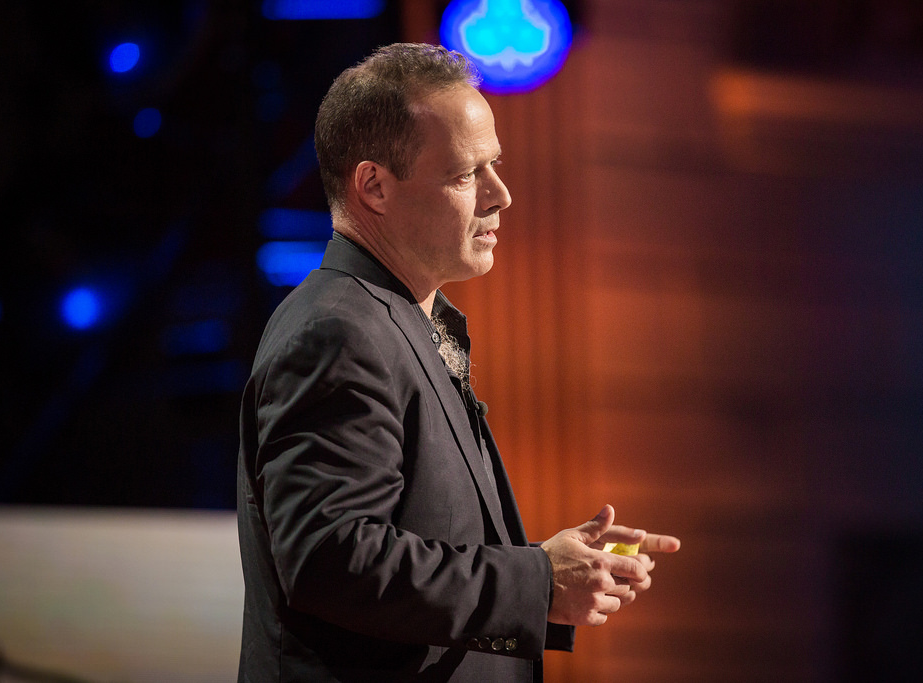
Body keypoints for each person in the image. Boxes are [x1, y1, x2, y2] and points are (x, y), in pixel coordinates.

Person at [236, 43, 680, 682]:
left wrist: (553, 567)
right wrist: (536, 582)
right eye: (467, 175)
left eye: (494, 165)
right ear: (374, 186)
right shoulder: (338, 332)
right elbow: (331, 559)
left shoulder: (395, 321)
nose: (501, 195)